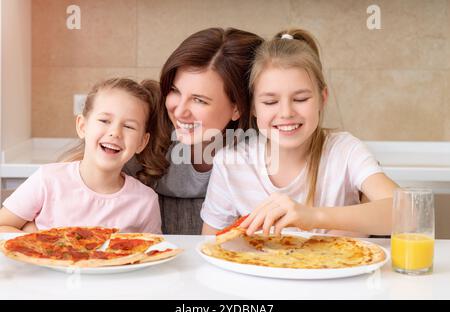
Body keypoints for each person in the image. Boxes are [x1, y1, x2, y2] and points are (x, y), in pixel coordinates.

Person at [200, 29, 398, 237]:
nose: (286, 113)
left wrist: (314, 217)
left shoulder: (345, 151)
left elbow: (409, 213)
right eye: (270, 102)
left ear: (323, 98)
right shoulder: (230, 162)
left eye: (301, 99)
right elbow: (210, 244)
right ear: (253, 107)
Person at [126, 27, 263, 234]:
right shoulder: (144, 130)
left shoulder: (261, 155)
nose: (179, 111)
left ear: (238, 107)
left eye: (199, 100)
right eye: (175, 91)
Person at [0, 78, 162, 233]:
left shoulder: (145, 201)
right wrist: (39, 239)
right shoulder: (47, 180)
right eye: (105, 120)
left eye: (128, 126)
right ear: (82, 126)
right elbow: (3, 226)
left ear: (142, 142)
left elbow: (154, 253)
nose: (115, 133)